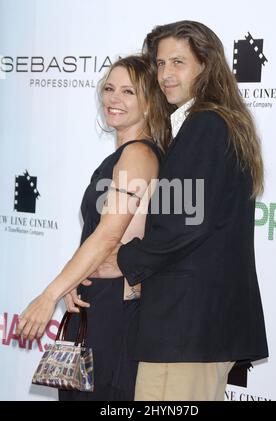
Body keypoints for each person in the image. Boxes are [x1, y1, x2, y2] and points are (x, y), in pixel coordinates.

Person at [96, 21, 269, 401]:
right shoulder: (214, 122)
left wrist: (124, 258)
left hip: (185, 329)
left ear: (205, 65)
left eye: (178, 62)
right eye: (160, 64)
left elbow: (182, 224)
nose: (166, 75)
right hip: (196, 329)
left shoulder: (205, 124)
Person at [16, 55, 169, 400]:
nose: (114, 99)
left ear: (149, 103)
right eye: (109, 89)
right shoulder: (122, 156)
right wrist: (71, 280)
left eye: (128, 92)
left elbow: (110, 235)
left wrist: (49, 295)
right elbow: (96, 233)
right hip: (92, 302)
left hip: (115, 306)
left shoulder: (139, 156)